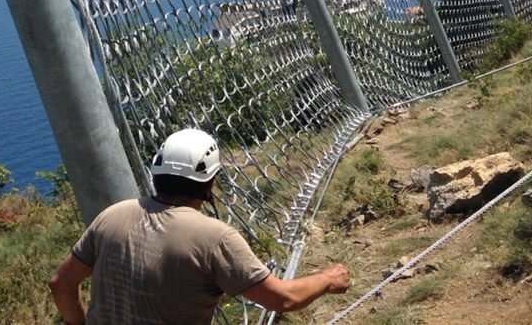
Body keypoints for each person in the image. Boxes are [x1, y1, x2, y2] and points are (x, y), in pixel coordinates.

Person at [50, 128, 350, 324]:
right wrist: (327, 279)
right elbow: (283, 298)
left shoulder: (112, 215)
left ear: (156, 173)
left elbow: (61, 284)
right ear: (211, 182)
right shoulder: (215, 237)